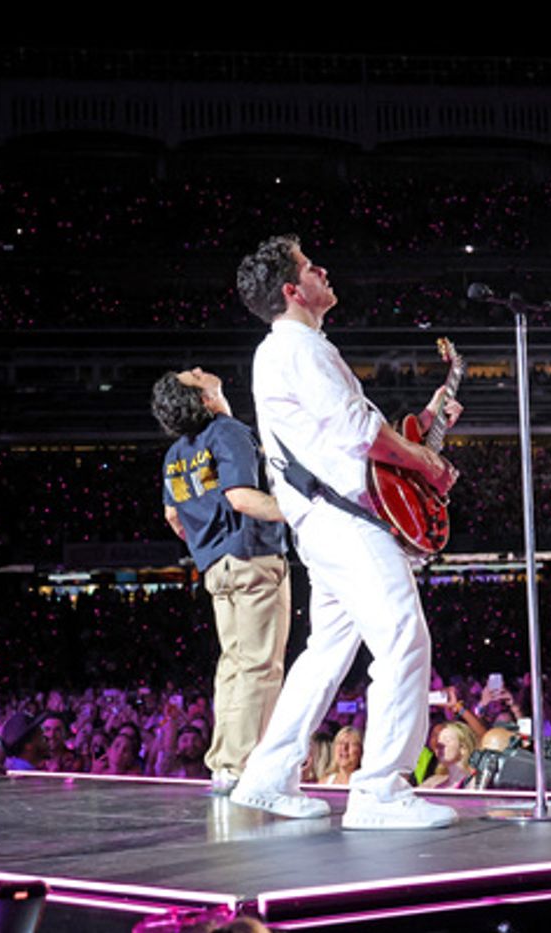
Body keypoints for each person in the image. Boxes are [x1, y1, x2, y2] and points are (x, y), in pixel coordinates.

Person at [228, 234, 461, 830]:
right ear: (292, 289)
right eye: (310, 267)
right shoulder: (298, 347)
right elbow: (360, 432)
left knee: (326, 654)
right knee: (403, 638)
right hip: (342, 521)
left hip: (324, 521)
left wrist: (424, 425)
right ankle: (380, 790)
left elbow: (344, 440)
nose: (322, 271)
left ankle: (266, 776)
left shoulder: (288, 350)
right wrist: (426, 460)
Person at [152, 367, 291, 794]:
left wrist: (207, 544)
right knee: (260, 666)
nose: (199, 370)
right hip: (251, 556)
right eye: (193, 376)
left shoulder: (175, 453)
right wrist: (301, 510)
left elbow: (173, 516)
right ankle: (241, 766)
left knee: (234, 665)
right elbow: (241, 497)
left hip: (216, 566)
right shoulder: (228, 431)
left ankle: (225, 763)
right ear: (204, 398)